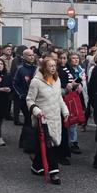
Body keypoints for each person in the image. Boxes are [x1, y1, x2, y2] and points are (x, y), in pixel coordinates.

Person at [26, 57, 69, 185]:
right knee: (49, 145)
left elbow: (59, 98)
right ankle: (54, 172)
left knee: (51, 143)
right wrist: (36, 111)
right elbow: (29, 100)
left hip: (55, 117)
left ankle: (36, 165)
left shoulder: (56, 80)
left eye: (54, 65)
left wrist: (65, 111)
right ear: (44, 67)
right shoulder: (36, 82)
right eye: (50, 66)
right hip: (43, 119)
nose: (53, 68)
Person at [59, 51, 85, 155]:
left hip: (72, 95)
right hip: (62, 96)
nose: (62, 60)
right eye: (61, 58)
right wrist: (69, 85)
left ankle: (73, 142)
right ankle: (67, 142)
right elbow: (61, 82)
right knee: (66, 120)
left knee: (73, 119)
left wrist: (78, 83)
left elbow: (72, 81)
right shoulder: (59, 69)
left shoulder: (70, 68)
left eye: (64, 58)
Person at [12, 49, 37, 129]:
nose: (32, 57)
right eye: (29, 55)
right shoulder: (20, 69)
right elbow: (15, 83)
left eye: (33, 55)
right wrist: (21, 94)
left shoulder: (36, 68)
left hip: (36, 98)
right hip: (25, 98)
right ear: (24, 57)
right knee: (28, 119)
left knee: (35, 119)